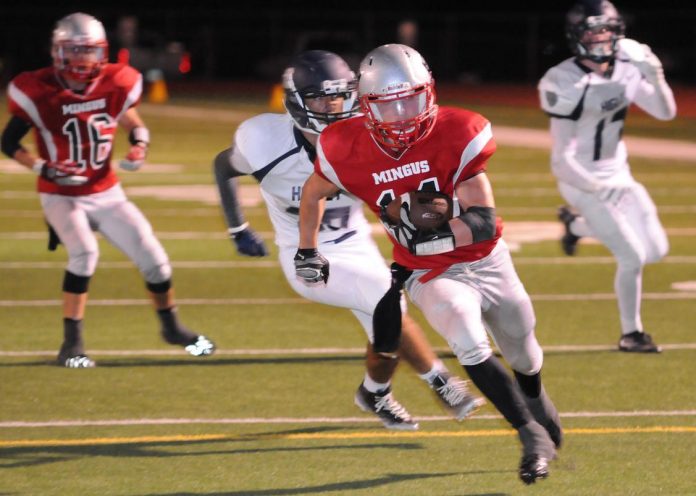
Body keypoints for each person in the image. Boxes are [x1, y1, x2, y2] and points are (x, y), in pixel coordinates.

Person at [297, 44, 562, 484]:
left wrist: (436, 233)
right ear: (366, 105)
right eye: (390, 104)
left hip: (487, 260)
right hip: (427, 271)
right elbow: (313, 192)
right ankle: (530, 433)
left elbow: (483, 218)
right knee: (465, 336)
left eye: (412, 100)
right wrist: (307, 248)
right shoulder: (343, 146)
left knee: (525, 353)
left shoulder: (458, 130)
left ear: (430, 93)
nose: (402, 114)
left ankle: (535, 401)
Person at [213, 50, 483, 431]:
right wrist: (237, 228)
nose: (332, 104)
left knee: (388, 333)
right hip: (305, 255)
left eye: (339, 94)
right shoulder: (264, 143)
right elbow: (222, 166)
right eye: (320, 97)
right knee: (383, 297)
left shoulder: (368, 133)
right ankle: (441, 381)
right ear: (296, 101)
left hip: (357, 244)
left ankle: (374, 393)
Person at [0, 12, 215, 368]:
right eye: (75, 50)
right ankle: (72, 344)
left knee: (156, 261)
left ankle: (172, 328)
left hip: (106, 190)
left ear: (102, 51)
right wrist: (43, 166)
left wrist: (140, 143)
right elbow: (8, 142)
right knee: (84, 253)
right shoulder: (37, 90)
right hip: (61, 193)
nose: (83, 58)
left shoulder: (117, 81)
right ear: (58, 51)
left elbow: (127, 116)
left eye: (90, 50)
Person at [538, 0, 675, 353]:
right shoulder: (563, 80)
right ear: (577, 35)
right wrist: (596, 187)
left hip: (620, 173)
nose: (600, 37)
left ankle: (576, 227)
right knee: (632, 256)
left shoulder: (628, 67)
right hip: (580, 179)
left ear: (617, 32)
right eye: (592, 30)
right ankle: (632, 334)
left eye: (605, 29)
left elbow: (665, 112)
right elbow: (559, 162)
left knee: (657, 250)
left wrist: (654, 74)